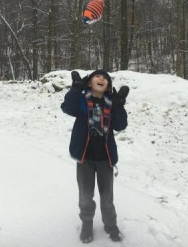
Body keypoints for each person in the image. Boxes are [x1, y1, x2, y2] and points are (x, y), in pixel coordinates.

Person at [61, 69, 129, 243]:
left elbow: (120, 125)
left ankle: (110, 225)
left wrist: (119, 104)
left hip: (105, 159)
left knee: (107, 198)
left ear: (108, 86)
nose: (101, 78)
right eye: (97, 76)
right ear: (89, 83)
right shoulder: (82, 101)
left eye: (105, 78)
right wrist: (76, 88)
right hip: (85, 158)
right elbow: (67, 107)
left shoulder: (111, 103)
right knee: (85, 196)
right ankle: (87, 223)